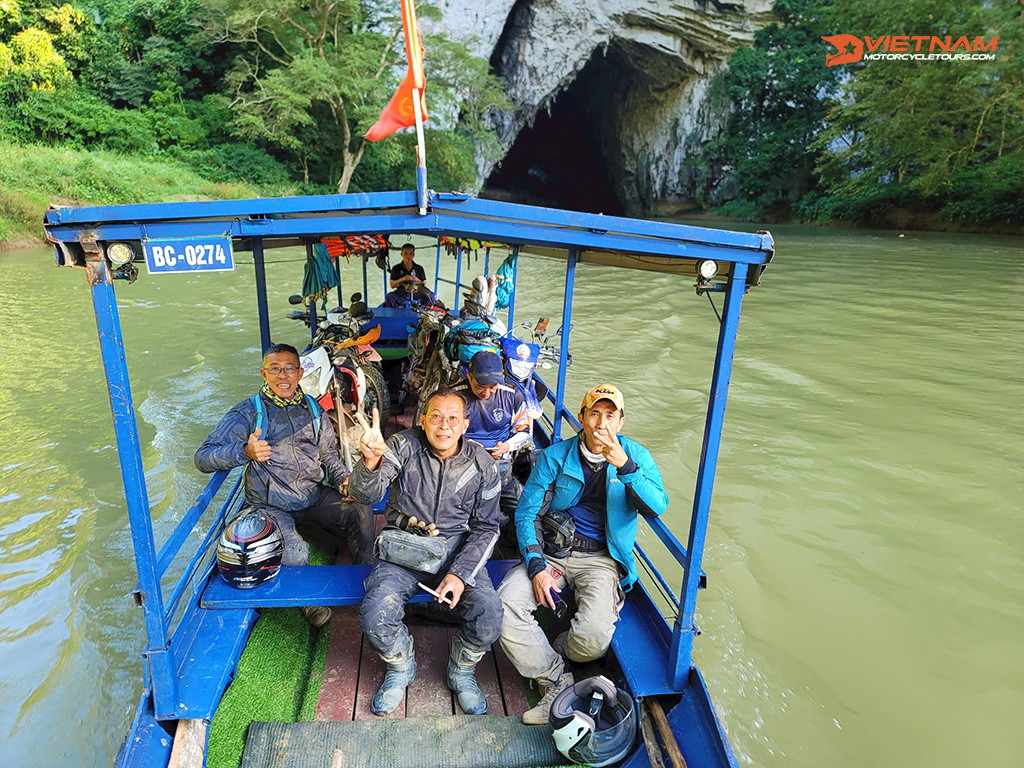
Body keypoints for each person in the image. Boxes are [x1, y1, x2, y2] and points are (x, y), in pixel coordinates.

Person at [496, 384, 668, 725]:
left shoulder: (637, 456)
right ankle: (554, 679)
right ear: (581, 419)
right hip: (553, 553)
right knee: (504, 605)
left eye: (610, 416)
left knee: (592, 641)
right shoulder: (556, 457)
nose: (601, 424)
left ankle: (561, 645)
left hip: (601, 560)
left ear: (621, 422)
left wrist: (627, 468)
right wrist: (536, 565)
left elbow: (657, 506)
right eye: (594, 414)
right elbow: (527, 513)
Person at [195, 343, 374, 628]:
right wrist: (244, 451)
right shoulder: (247, 413)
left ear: (300, 373)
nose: (283, 376)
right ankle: (308, 601)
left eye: (289, 368)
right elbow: (203, 458)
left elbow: (328, 455)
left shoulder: (314, 410)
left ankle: (368, 578)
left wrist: (342, 479)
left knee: (360, 510)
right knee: (295, 552)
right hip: (271, 505)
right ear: (263, 374)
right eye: (275, 369)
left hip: (313, 495)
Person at [348, 389, 503, 717]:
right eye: (435, 416)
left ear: (464, 424)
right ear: (422, 419)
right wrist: (371, 461)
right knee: (375, 613)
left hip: (456, 552)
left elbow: (487, 528)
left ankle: (461, 670)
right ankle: (401, 665)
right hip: (403, 550)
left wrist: (460, 575)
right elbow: (365, 494)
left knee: (489, 614)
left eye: (452, 418)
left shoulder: (482, 464)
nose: (443, 425)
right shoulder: (402, 446)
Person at [451, 351, 530, 527]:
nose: (486, 393)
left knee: (524, 509)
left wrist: (507, 446)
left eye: (492, 387)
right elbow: (443, 435)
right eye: (480, 386)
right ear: (469, 376)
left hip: (500, 465)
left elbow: (525, 433)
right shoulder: (454, 397)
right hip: (462, 464)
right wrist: (467, 445)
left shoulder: (512, 395)